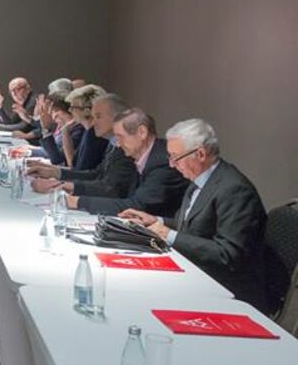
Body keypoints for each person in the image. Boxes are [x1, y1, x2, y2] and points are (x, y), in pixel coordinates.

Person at [119, 119, 269, 310]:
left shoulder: (234, 190)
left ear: (200, 154)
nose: (172, 165)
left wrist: (167, 234)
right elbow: (193, 225)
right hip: (196, 272)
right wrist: (156, 221)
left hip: (225, 288)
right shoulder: (200, 179)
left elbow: (227, 254)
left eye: (176, 157)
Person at [67, 108, 188, 216]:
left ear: (142, 132)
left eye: (121, 137)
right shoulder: (140, 157)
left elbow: (138, 206)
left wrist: (79, 202)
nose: (118, 144)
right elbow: (122, 194)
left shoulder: (163, 161)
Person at [28, 92, 136, 200]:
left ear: (117, 117)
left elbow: (113, 190)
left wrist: (64, 186)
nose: (93, 121)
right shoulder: (112, 142)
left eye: (98, 116)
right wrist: (55, 173)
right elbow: (97, 174)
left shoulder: (127, 147)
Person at [36, 94, 85, 167]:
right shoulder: (61, 125)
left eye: (55, 111)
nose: (53, 116)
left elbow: (57, 159)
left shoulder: (79, 129)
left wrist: (46, 130)